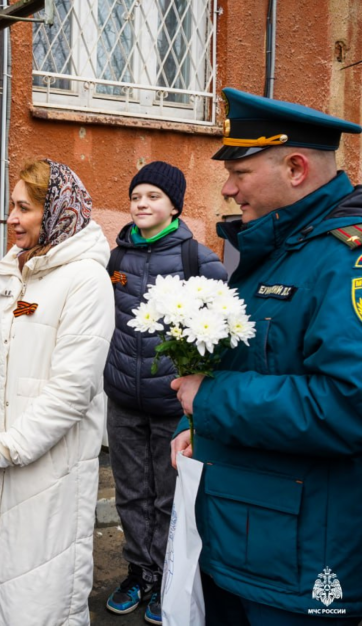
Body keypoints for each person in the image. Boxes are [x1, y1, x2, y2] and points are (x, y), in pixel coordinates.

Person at [170, 88, 362, 624]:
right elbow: (260, 363)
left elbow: (348, 405)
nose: (227, 189)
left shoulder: (345, 259)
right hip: (246, 538)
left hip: (302, 561)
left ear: (296, 168)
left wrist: (210, 400)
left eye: (240, 172)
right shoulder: (278, 245)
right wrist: (200, 425)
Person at [0, 159, 114, 626]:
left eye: (23, 208)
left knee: (39, 600)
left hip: (50, 474)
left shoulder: (86, 280)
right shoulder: (17, 271)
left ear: (56, 211)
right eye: (11, 206)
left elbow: (73, 389)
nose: (11, 218)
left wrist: (7, 447)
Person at [103, 161, 227, 624]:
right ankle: (139, 571)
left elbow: (222, 327)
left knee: (168, 495)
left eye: (153, 196)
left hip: (172, 404)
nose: (141, 204)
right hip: (123, 399)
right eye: (136, 196)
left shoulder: (198, 260)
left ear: (175, 205)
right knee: (131, 492)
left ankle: (166, 574)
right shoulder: (116, 259)